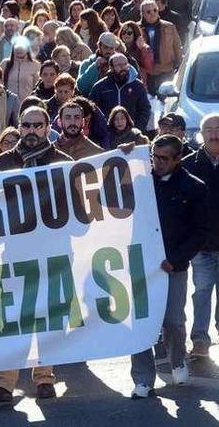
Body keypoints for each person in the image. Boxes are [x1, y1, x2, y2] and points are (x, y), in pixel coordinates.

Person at [0, 106, 71, 403]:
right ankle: (4, 383)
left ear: (48, 127)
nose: (32, 130)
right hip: (15, 253)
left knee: (49, 316)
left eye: (38, 125)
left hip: (53, 252)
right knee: (12, 316)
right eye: (26, 125)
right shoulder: (3, 162)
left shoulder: (63, 162)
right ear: (19, 127)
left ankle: (45, 377)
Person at [130, 135, 209, 399]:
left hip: (173, 266)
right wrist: (124, 154)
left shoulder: (193, 188)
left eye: (164, 158)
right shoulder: (140, 181)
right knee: (141, 324)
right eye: (154, 156)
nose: (158, 163)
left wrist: (175, 260)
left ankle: (177, 360)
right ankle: (143, 379)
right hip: (140, 264)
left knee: (173, 321)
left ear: (177, 159)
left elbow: (200, 232)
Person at [182, 114, 219, 358]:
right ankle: (200, 340)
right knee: (202, 292)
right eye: (209, 130)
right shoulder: (188, 164)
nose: (214, 134)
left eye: (218, 129)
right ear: (201, 134)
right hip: (202, 246)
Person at [88, 53, 151, 133]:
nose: (123, 68)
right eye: (119, 65)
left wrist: (137, 129)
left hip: (132, 133)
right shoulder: (100, 87)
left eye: (125, 64)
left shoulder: (137, 85)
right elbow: (92, 110)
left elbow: (145, 109)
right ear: (111, 68)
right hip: (108, 134)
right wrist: (102, 129)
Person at [140, 0, 182, 94]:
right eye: (148, 11)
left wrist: (179, 64)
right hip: (146, 72)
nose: (153, 13)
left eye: (155, 10)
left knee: (166, 100)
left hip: (166, 70)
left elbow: (177, 46)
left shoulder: (169, 26)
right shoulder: (137, 28)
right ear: (142, 14)